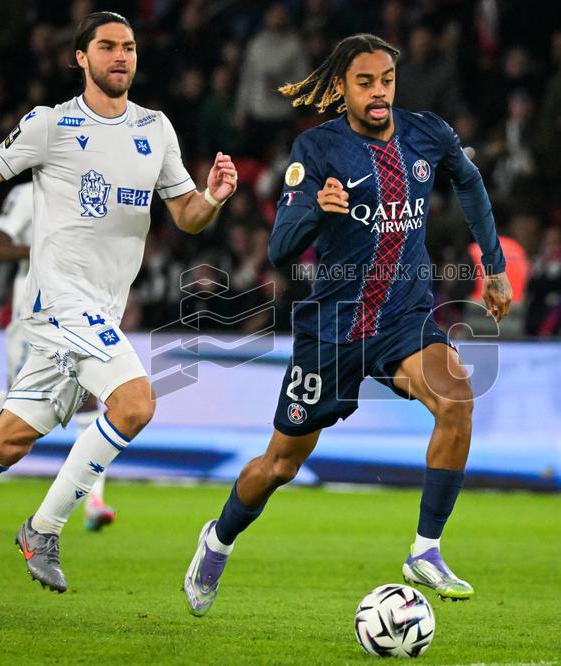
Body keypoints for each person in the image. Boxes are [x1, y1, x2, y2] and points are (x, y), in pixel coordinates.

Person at [0, 11, 238, 611]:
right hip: (58, 303)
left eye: (130, 47)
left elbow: (187, 215)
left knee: (7, 441)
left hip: (101, 312)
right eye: (107, 47)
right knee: (136, 401)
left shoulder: (157, 129)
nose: (122, 56)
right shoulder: (52, 125)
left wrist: (215, 199)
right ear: (81, 58)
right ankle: (43, 529)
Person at [183, 34, 512, 616]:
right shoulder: (317, 148)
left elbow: (471, 182)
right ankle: (219, 539)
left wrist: (494, 265)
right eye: (365, 82)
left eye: (386, 79)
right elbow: (282, 251)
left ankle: (425, 549)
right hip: (332, 329)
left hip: (403, 319)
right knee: (279, 465)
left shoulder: (426, 133)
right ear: (341, 89)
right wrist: (316, 210)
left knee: (457, 397)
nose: (380, 91)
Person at [0, 182, 116, 532]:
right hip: (33, 317)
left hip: (77, 312)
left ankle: (94, 503)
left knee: (88, 400)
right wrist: (44, 251)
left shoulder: (90, 189)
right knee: (20, 405)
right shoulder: (29, 194)